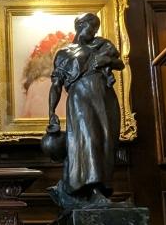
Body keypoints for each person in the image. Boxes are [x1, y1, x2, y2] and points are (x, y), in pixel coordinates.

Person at [44, 14, 123, 207]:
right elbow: (56, 84)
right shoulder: (64, 54)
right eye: (91, 26)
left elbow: (119, 63)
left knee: (107, 141)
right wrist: (51, 112)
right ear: (80, 25)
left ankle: (102, 189)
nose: (94, 31)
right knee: (89, 139)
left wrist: (105, 59)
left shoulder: (101, 45)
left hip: (105, 97)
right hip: (81, 98)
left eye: (96, 27)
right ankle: (92, 189)